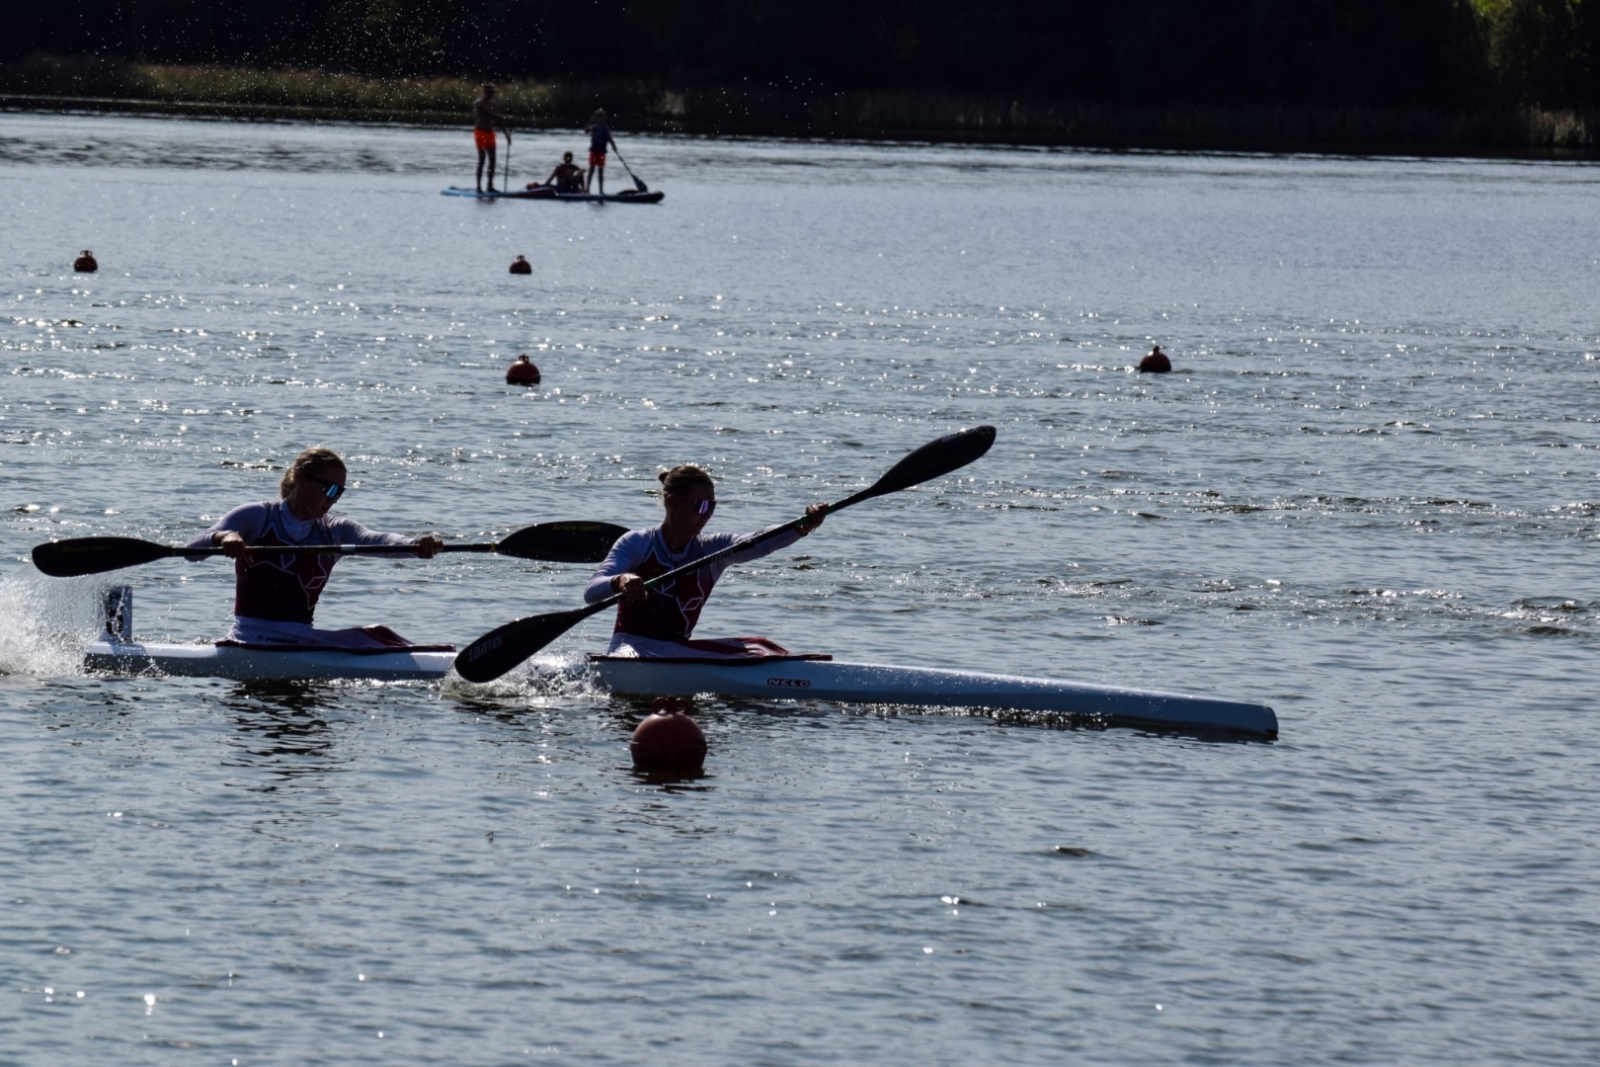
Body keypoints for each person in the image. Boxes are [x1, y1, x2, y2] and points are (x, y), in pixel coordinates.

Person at [186, 447, 444, 648]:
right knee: (375, 640)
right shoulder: (257, 516)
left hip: (299, 638)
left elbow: (378, 540)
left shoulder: (334, 530)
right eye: (328, 488)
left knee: (382, 636)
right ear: (300, 478)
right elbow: (191, 551)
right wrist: (224, 538)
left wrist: (415, 545)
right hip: (250, 635)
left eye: (339, 492)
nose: (332, 499)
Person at [585, 465, 827, 657]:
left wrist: (803, 525)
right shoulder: (638, 543)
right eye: (699, 505)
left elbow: (757, 541)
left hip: (677, 652)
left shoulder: (712, 549)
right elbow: (592, 591)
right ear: (671, 502)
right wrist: (621, 580)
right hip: (630, 649)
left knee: (760, 646)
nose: (706, 514)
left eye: (711, 506)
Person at [473, 84, 510, 193]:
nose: (491, 95)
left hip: (490, 132)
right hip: (480, 132)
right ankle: (479, 187)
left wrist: (506, 135)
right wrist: (506, 117)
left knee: (493, 160)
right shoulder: (478, 103)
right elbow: (490, 115)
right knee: (482, 159)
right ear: (485, 92)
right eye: (489, 92)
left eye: (492, 93)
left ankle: (490, 186)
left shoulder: (493, 103)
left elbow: (497, 120)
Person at [585, 109, 617, 194]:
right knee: (591, 170)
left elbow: (609, 138)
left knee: (600, 172)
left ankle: (601, 191)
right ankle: (587, 189)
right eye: (598, 117)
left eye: (602, 117)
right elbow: (586, 131)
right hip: (594, 151)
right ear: (596, 118)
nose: (600, 119)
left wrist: (613, 145)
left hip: (601, 152)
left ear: (604, 118)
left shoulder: (606, 129)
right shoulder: (594, 127)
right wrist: (590, 122)